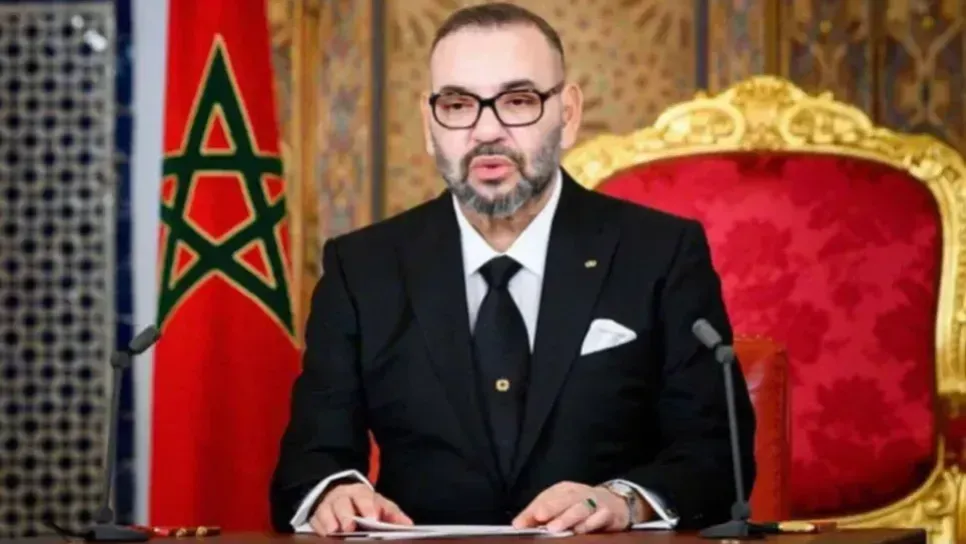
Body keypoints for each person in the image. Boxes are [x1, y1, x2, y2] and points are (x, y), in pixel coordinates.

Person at [269, 2, 755, 536]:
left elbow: (718, 457)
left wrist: (625, 501)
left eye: (517, 101)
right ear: (430, 124)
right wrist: (334, 492)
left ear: (568, 114)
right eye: (458, 104)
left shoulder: (661, 252)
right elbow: (309, 464)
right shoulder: (360, 268)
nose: (486, 130)